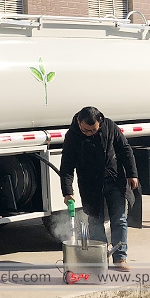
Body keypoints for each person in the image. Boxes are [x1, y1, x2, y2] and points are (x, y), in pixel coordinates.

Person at [60, 106, 139, 270]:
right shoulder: (72, 136)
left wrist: (132, 173)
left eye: (93, 130)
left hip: (114, 180)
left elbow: (124, 149)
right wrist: (67, 191)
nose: (89, 133)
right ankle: (100, 259)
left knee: (120, 219)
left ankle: (120, 258)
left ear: (100, 123)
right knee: (95, 222)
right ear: (78, 121)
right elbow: (66, 165)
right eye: (86, 130)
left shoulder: (109, 126)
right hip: (90, 185)